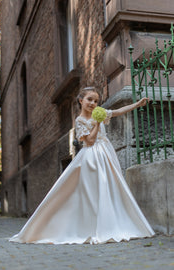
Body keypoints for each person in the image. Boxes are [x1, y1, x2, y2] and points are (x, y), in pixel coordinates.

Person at [9, 86, 155, 245]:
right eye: (89, 99)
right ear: (81, 100)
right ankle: (88, 226)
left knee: (111, 186)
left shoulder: (99, 113)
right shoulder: (80, 121)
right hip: (91, 157)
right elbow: (90, 141)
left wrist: (137, 104)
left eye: (96, 101)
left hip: (106, 153)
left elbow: (118, 111)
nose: (93, 103)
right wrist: (98, 124)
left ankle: (112, 222)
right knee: (92, 191)